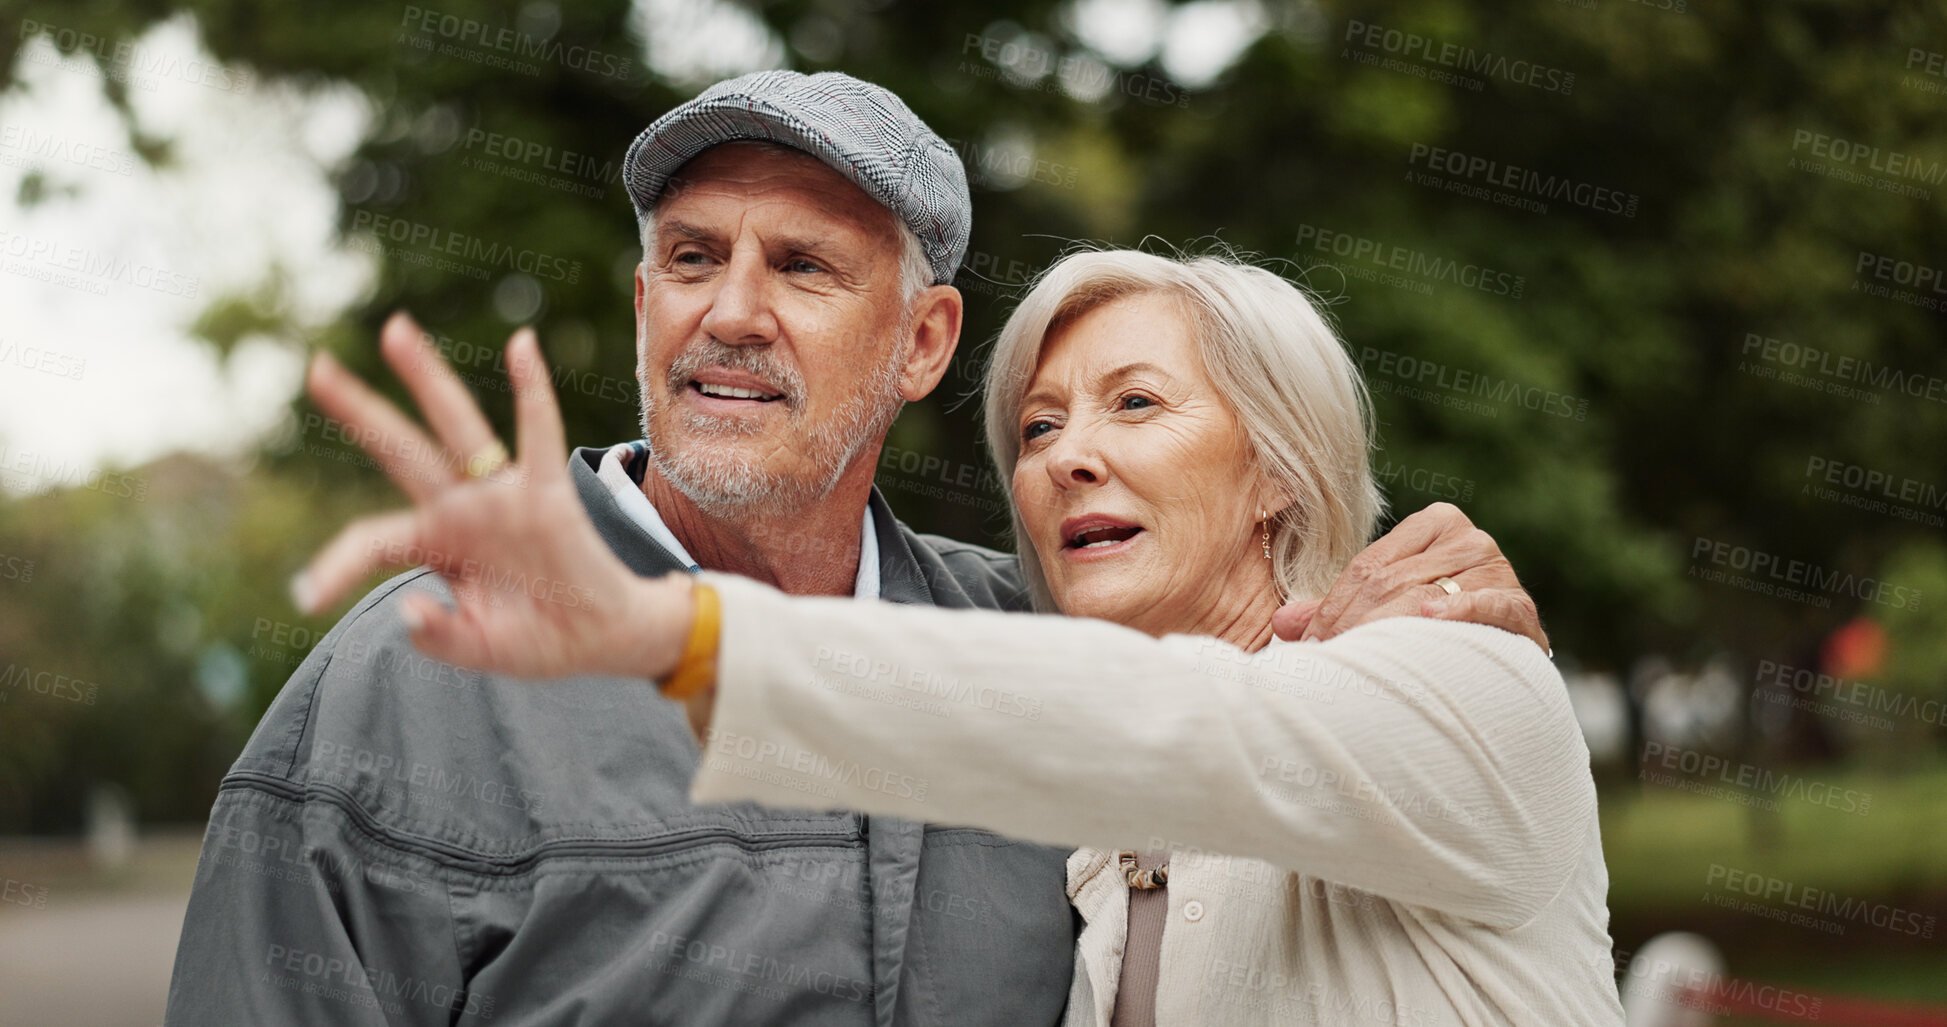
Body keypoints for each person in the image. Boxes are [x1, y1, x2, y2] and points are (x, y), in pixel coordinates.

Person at [168, 71, 1553, 1025]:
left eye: (806, 268)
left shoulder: (1042, 646)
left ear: (922, 341)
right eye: (695, 259)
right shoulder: (401, 682)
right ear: (645, 300)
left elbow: (1195, 722)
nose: (732, 313)